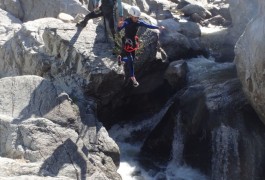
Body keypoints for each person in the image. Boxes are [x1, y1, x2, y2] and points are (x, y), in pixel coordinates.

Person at [117, 6, 165, 87]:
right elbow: (119, 29)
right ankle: (133, 78)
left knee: (132, 59)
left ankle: (121, 58)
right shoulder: (127, 21)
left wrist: (158, 27)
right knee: (131, 60)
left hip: (133, 41)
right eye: (135, 17)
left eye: (137, 17)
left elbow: (148, 25)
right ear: (131, 16)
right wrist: (119, 26)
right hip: (127, 41)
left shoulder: (139, 22)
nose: (136, 19)